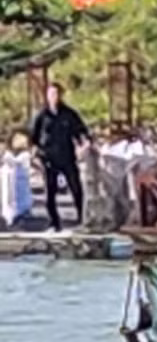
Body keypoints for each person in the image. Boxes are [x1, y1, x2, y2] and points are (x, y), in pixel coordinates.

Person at [30, 82, 91, 233]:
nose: (53, 97)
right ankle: (54, 223)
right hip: (49, 159)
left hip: (67, 157)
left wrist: (84, 146)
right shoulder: (42, 116)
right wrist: (34, 155)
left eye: (56, 94)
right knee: (50, 191)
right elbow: (33, 137)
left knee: (76, 189)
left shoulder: (69, 114)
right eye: (50, 94)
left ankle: (82, 221)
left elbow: (81, 131)